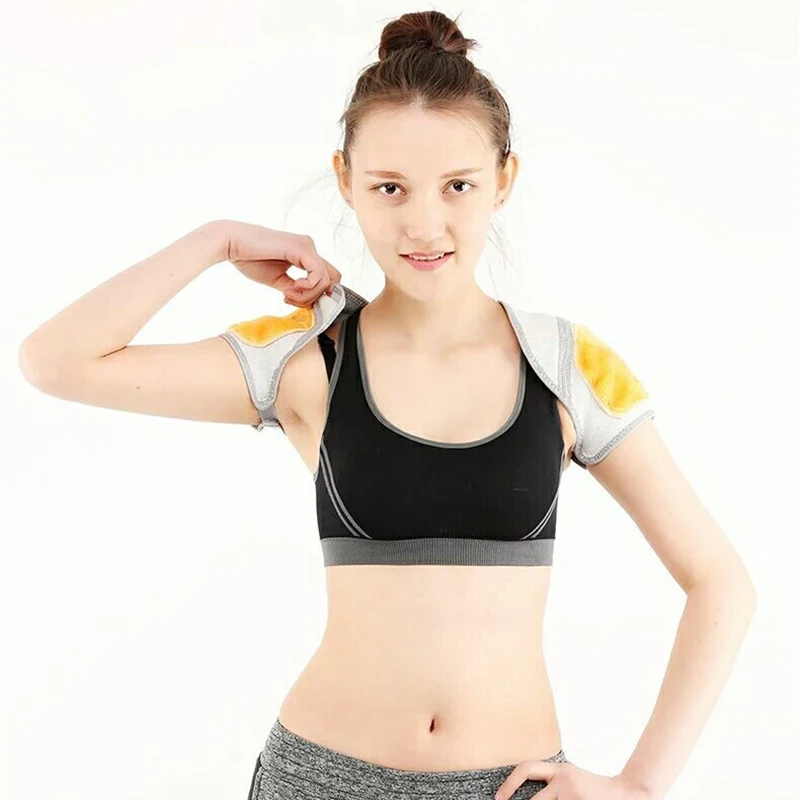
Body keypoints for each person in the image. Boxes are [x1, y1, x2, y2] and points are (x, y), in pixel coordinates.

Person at [18, 10, 757, 800]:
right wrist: (217, 241)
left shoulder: (567, 366)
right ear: (346, 180)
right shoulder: (308, 360)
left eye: (458, 186)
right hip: (321, 778)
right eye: (389, 188)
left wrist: (640, 785)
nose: (424, 224)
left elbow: (721, 582)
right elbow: (55, 362)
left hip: (509, 786)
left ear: (504, 179)